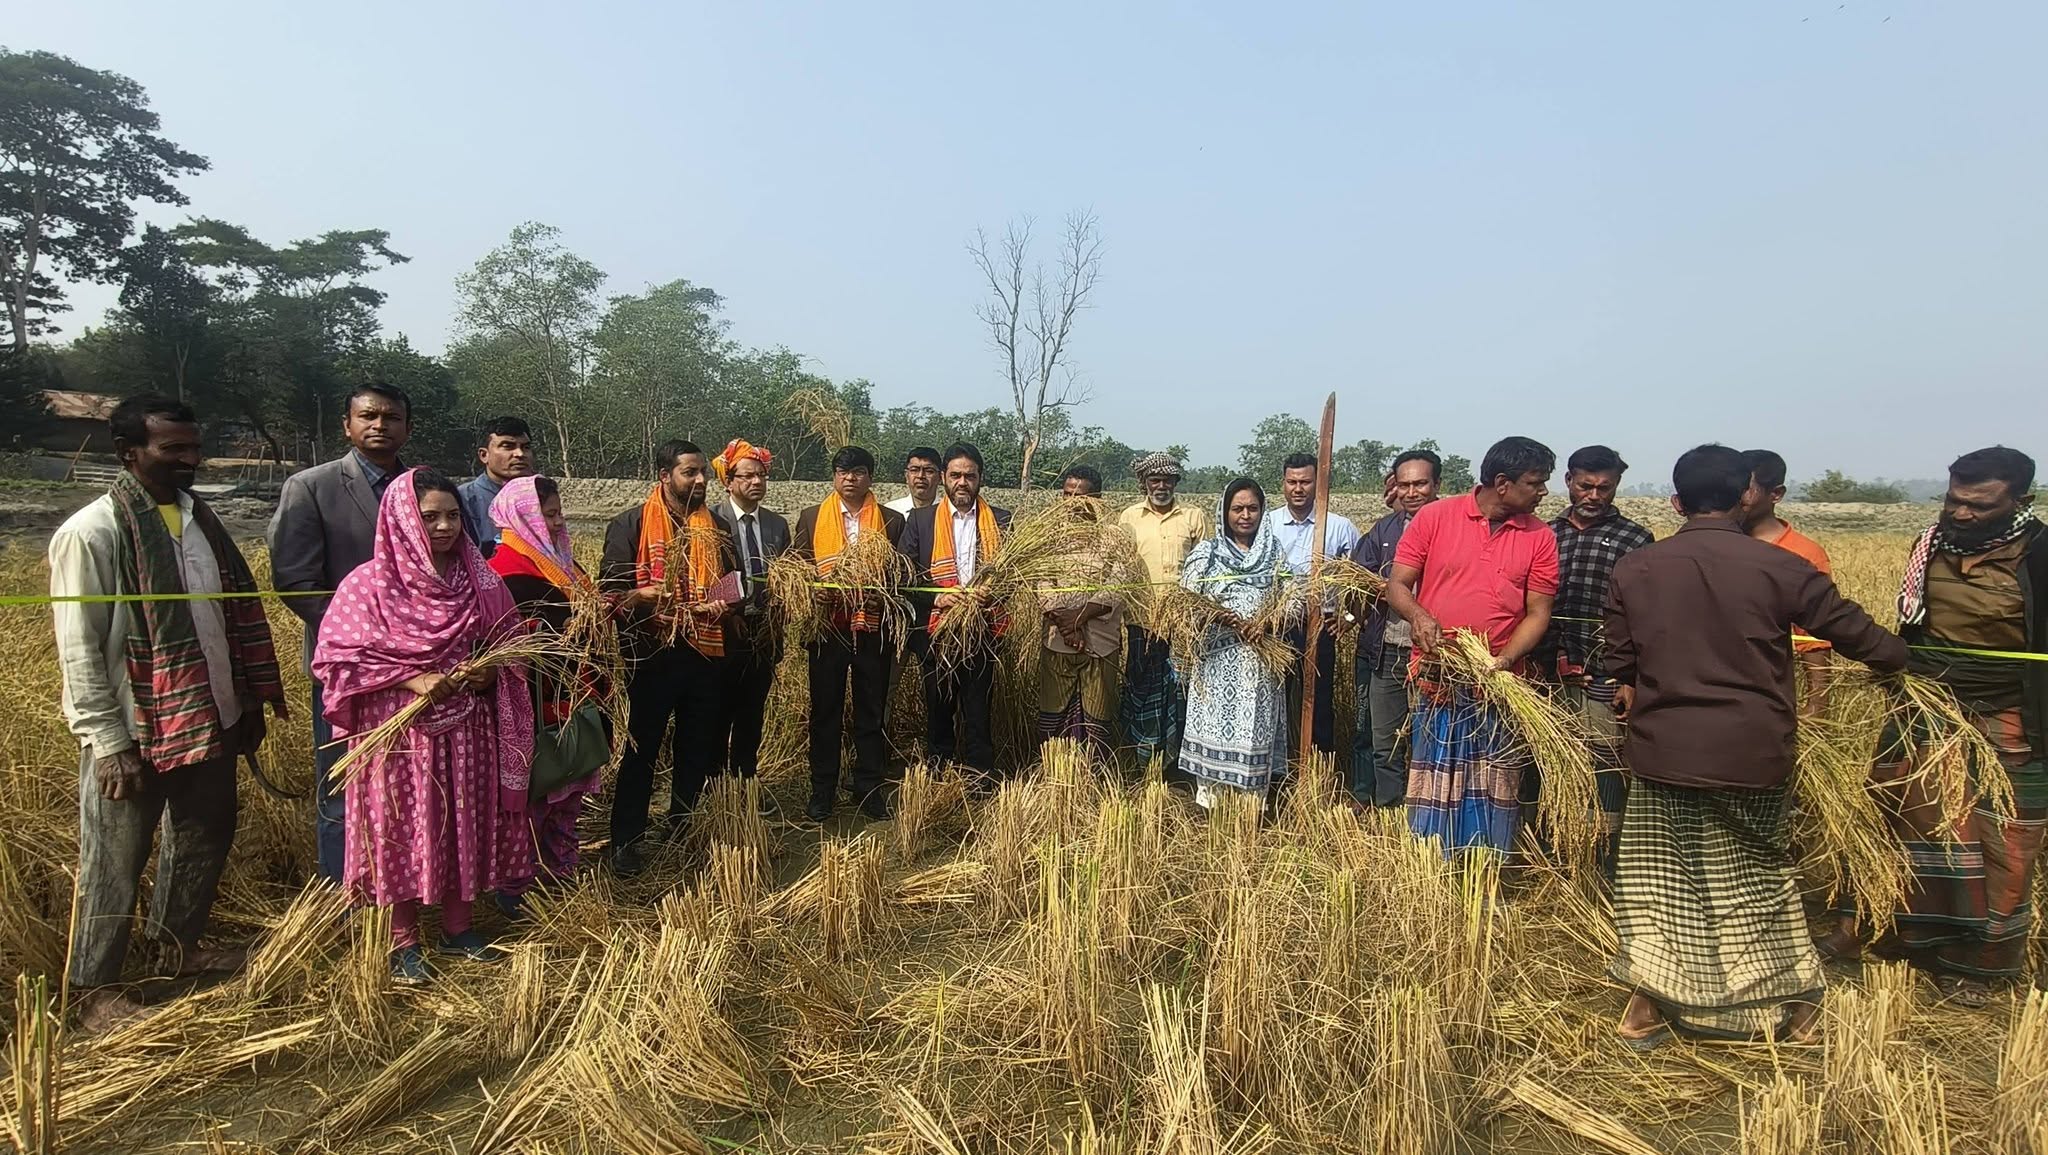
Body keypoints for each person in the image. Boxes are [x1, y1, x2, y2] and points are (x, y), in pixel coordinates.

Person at [1604, 445, 1906, 1048]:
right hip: (1753, 753)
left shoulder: (1636, 569)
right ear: (1746, 494)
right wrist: (1910, 661)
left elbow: (1619, 663)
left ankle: (1645, 1009)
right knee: (1759, 881)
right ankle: (1798, 1012)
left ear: (1676, 502)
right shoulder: (1781, 567)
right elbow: (1859, 636)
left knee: (1660, 884)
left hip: (1664, 754)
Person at [50, 394, 288, 1030]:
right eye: (172, 448)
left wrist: (246, 702)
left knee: (204, 833)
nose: (190, 459)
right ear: (128, 453)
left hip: (209, 716)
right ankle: (93, 989)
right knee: (114, 858)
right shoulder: (92, 532)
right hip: (133, 727)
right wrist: (108, 741)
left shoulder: (200, 521)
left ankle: (177, 951)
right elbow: (78, 647)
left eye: (194, 447)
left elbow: (226, 621)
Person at [1822, 446, 2045, 1005]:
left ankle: (1980, 963)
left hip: (2012, 712)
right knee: (1897, 814)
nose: (1961, 513)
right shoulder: (1930, 545)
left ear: (2021, 500)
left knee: (2004, 840)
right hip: (1926, 702)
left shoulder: (2041, 554)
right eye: (1953, 501)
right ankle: (1882, 930)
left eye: (1979, 505)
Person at [313, 468, 537, 982]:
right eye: (430, 517)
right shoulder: (368, 586)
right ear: (401, 520)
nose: (444, 527)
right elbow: (337, 662)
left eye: (453, 516)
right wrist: (413, 680)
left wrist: (489, 674)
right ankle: (403, 940)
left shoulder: (479, 581)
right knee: (401, 828)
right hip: (399, 735)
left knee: (463, 820)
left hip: (467, 731)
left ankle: (459, 928)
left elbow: (510, 647)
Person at [1385, 436, 1560, 854]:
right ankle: (1432, 859)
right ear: (1502, 483)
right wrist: (1419, 617)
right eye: (1535, 482)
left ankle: (1485, 860)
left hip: (1498, 684)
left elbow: (1538, 612)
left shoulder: (1540, 537)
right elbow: (1398, 585)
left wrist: (1506, 659)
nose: (1543, 492)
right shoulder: (1435, 517)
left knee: (1492, 777)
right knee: (1436, 773)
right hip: (1439, 676)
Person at [270, 381, 411, 882]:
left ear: (407, 428)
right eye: (368, 416)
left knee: (409, 781)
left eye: (391, 417)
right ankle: (341, 893)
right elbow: (296, 581)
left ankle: (402, 886)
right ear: (347, 425)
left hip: (422, 668)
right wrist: (369, 639)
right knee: (342, 780)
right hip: (348, 666)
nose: (379, 425)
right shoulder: (311, 487)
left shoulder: (420, 487)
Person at [599, 440, 739, 875]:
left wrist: (724, 604)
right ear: (665, 476)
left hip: (704, 652)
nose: (700, 480)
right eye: (689, 472)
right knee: (642, 750)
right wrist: (643, 601)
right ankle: (626, 842)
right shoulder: (631, 524)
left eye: (703, 473)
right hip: (651, 656)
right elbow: (611, 592)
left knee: (697, 747)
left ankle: (683, 829)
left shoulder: (716, 526)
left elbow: (731, 583)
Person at [1536, 445, 1655, 867]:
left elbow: (1644, 615)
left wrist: (1630, 678)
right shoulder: (1543, 534)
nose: (1594, 496)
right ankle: (1548, 849)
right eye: (1585, 486)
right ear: (1568, 481)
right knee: (1545, 760)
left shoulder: (1636, 540)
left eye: (1605, 488)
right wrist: (1553, 656)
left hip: (1605, 671)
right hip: (1544, 670)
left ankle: (1601, 858)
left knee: (1604, 762)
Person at [487, 475, 605, 889]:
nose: (557, 524)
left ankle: (561, 875)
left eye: (558, 514)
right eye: (548, 515)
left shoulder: (564, 567)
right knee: (533, 798)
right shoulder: (501, 574)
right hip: (530, 708)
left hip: (572, 699)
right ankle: (518, 887)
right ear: (523, 518)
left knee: (568, 794)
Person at [792, 446, 908, 822]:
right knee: (825, 712)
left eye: (858, 471)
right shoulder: (811, 518)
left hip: (872, 630)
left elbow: (903, 578)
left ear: (870, 477)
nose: (850, 478)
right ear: (834, 476)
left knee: (870, 712)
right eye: (842, 471)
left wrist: (882, 597)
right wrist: (814, 592)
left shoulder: (891, 521)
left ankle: (868, 787)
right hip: (827, 630)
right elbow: (798, 573)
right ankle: (822, 790)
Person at [900, 442, 1014, 793]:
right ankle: (939, 779)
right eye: (956, 475)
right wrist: (938, 597)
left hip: (983, 631)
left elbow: (1014, 578)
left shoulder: (1002, 520)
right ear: (944, 477)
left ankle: (981, 779)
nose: (962, 482)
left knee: (978, 711)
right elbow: (904, 577)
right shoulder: (920, 520)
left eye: (970, 476)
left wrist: (992, 592)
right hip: (936, 633)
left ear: (980, 478)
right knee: (938, 710)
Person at [1179, 479, 1293, 809]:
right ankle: (1212, 806)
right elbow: (1186, 601)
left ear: (1262, 512)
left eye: (1252, 508)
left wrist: (1267, 622)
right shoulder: (1207, 553)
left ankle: (1251, 808)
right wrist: (1219, 616)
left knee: (1255, 730)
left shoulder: (1274, 553)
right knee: (1214, 727)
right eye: (1237, 509)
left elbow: (1293, 599)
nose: (1245, 516)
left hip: (1260, 663)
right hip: (1216, 664)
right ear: (1224, 512)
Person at [1349, 449, 1441, 807]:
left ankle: (1425, 811)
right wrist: (1362, 597)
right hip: (1387, 648)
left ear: (1437, 484)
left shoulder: (1454, 528)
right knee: (1384, 740)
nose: (1412, 492)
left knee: (1429, 738)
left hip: (1436, 653)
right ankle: (1389, 809)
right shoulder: (1383, 531)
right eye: (1405, 485)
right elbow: (1357, 579)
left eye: (1420, 484)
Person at [1118, 452, 1212, 778]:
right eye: (1155, 480)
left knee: (1181, 693)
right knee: (1142, 691)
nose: (1161, 486)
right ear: (1144, 482)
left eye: (1167, 480)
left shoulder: (1193, 517)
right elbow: (1121, 568)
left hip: (1183, 625)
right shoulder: (1128, 518)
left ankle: (1178, 767)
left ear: (1175, 482)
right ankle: (1142, 763)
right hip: (1142, 622)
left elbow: (1207, 569)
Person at [711, 438, 789, 818]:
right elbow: (708, 575)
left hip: (764, 632)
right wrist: (731, 614)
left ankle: (745, 784)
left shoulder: (777, 525)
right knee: (717, 713)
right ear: (728, 481)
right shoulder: (711, 521)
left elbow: (787, 577)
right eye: (747, 476)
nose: (756, 482)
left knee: (752, 714)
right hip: (724, 632)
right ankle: (714, 790)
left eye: (761, 475)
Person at [1266, 452, 1359, 760]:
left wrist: (1349, 617)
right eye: (1292, 482)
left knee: (1318, 701)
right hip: (1277, 626)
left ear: (1318, 483)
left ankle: (1319, 766)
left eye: (1305, 482)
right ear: (1283, 483)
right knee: (1276, 698)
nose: (1298, 488)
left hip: (1322, 627)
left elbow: (1361, 578)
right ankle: (1277, 765)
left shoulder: (1339, 527)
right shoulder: (1267, 524)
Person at [1037, 465, 1126, 762]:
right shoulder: (1048, 536)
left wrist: (1078, 618)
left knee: (1097, 716)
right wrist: (1066, 624)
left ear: (1097, 499)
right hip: (1058, 641)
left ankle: (1091, 777)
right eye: (1066, 495)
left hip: (1100, 644)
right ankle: (1054, 773)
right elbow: (1041, 583)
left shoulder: (1115, 537)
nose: (1072, 503)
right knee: (1053, 713)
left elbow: (1118, 585)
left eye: (1080, 497)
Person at [1742, 449, 1834, 715]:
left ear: (1776, 494)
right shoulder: (1717, 543)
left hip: (1770, 698)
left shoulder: (1804, 554)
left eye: (1746, 489)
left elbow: (1813, 635)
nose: (1737, 496)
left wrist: (1817, 705)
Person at [459, 416, 536, 555]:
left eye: (526, 447)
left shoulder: (541, 497)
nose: (520, 454)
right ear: (484, 455)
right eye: (508, 446)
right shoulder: (463, 500)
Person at [884, 446, 942, 515]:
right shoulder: (891, 511)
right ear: (906, 476)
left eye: (928, 471)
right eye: (914, 470)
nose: (920, 476)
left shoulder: (948, 511)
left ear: (940, 477)